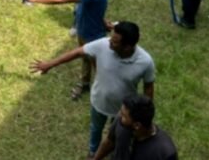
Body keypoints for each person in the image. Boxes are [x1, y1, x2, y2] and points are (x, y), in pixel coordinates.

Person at [30, 22, 155, 159]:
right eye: (111, 38)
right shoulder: (103, 45)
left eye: (114, 42)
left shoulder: (145, 61)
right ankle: (93, 152)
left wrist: (145, 116)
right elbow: (77, 52)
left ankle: (112, 153)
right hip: (99, 101)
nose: (109, 43)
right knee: (96, 129)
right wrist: (50, 64)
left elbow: (148, 87)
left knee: (119, 136)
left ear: (127, 47)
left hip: (123, 111)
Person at [22, 0, 111, 101]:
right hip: (85, 30)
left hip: (92, 36)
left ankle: (104, 96)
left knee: (99, 68)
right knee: (85, 59)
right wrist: (103, 21)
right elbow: (97, 8)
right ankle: (85, 85)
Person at [93, 94, 178, 160]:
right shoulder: (122, 123)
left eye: (123, 115)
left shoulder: (164, 153)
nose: (119, 115)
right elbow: (109, 142)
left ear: (137, 125)